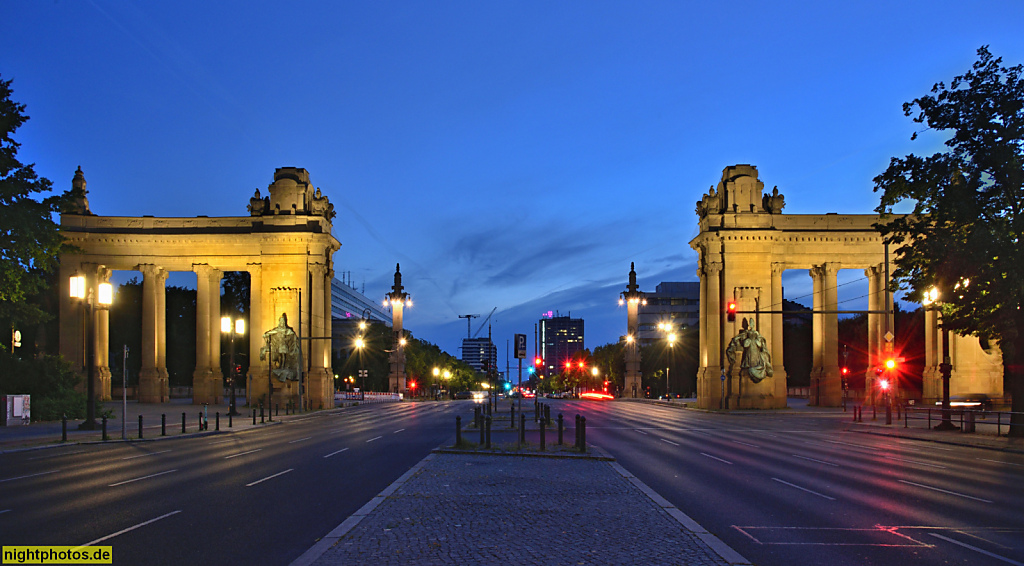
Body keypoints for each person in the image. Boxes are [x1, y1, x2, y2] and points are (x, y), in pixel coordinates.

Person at [726, 318, 773, 383]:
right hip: (750, 348)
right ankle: (752, 368)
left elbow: (761, 341)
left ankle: (756, 370)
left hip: (755, 348)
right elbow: (742, 340)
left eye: (752, 322)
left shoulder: (756, 333)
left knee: (756, 359)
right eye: (750, 323)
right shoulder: (746, 332)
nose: (751, 324)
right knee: (749, 358)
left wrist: (757, 341)